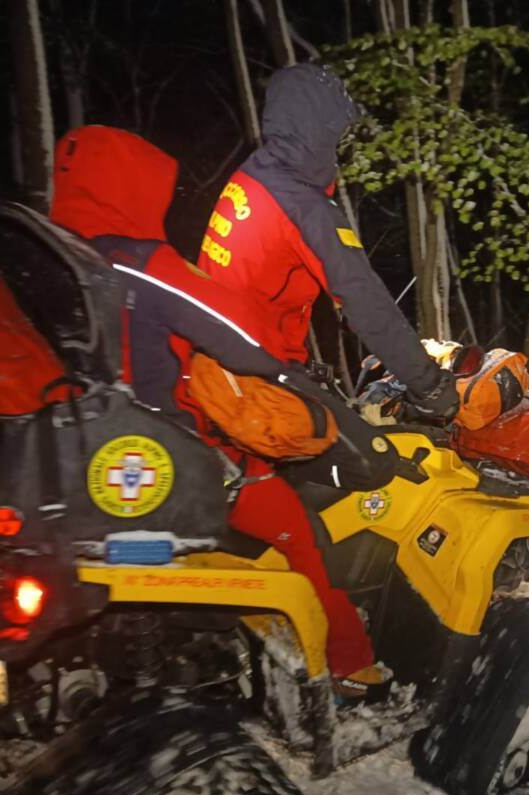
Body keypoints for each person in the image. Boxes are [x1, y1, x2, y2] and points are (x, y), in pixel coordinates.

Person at [49, 125, 385, 699]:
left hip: (70, 467)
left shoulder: (49, 260)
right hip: (163, 462)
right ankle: (352, 666)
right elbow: (241, 336)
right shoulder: (139, 262)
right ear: (130, 188)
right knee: (297, 531)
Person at [196, 63, 459, 490]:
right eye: (338, 131)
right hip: (256, 380)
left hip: (223, 365)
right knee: (376, 472)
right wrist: (429, 386)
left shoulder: (253, 175)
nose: (341, 144)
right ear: (318, 127)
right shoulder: (302, 207)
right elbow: (365, 301)